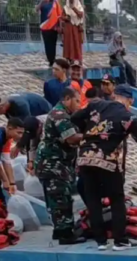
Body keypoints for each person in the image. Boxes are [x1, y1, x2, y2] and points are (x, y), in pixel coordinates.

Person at [71, 84, 137, 251]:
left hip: (85, 158)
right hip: (107, 160)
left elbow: (75, 117)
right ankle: (120, 240)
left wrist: (88, 132)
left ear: (114, 95)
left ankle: (101, 241)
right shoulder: (128, 118)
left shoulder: (96, 105)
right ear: (131, 101)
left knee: (93, 199)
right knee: (117, 200)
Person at [35, 87, 85, 244]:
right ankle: (65, 234)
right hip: (52, 164)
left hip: (58, 164)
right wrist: (92, 136)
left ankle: (60, 231)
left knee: (60, 197)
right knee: (60, 198)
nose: (79, 104)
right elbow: (72, 138)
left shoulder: (65, 114)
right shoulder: (60, 115)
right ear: (67, 99)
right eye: (77, 101)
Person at [37, 0, 62, 67]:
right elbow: (37, 9)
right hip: (44, 27)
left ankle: (52, 60)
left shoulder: (56, 2)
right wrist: (41, 2)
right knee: (47, 45)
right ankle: (50, 60)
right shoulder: (43, 2)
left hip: (54, 28)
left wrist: (60, 26)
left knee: (53, 45)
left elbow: (59, 15)